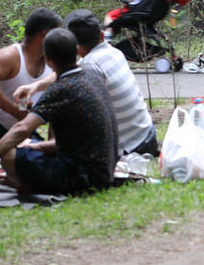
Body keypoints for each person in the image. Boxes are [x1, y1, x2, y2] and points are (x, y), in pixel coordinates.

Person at [0, 28, 117, 196]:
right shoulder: (91, 77)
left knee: (9, 154)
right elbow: (68, 143)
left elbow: (21, 129)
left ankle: (26, 185)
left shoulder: (60, 89)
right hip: (104, 173)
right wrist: (36, 146)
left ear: (48, 59)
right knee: (26, 146)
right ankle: (29, 181)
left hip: (82, 178)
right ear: (76, 53)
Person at [63, 9, 159, 155]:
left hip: (132, 149)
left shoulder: (90, 65)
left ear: (73, 46)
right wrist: (37, 85)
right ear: (102, 35)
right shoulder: (112, 52)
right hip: (148, 135)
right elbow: (75, 68)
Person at [0, 7, 63, 145]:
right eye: (56, 35)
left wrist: (52, 142)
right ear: (44, 36)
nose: (59, 41)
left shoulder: (52, 62)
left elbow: (64, 80)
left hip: (22, 131)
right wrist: (14, 111)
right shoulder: (11, 55)